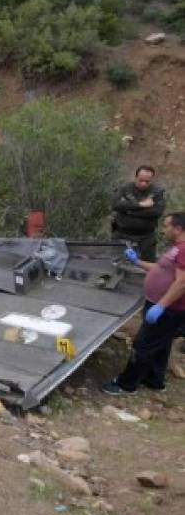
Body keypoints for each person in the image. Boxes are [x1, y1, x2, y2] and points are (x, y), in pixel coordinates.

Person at [102, 212, 185, 395]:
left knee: (143, 344)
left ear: (178, 229)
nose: (164, 230)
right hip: (161, 304)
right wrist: (137, 261)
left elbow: (182, 283)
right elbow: (160, 268)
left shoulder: (184, 249)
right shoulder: (177, 248)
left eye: (167, 226)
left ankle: (126, 384)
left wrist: (161, 306)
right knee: (161, 344)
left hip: (168, 308)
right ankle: (155, 380)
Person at [111, 165, 165, 262]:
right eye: (141, 180)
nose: (143, 183)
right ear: (135, 177)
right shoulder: (125, 188)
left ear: (152, 180)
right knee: (118, 263)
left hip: (146, 236)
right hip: (122, 234)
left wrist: (129, 211)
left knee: (147, 265)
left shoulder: (157, 192)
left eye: (147, 181)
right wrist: (141, 205)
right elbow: (116, 205)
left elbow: (156, 211)